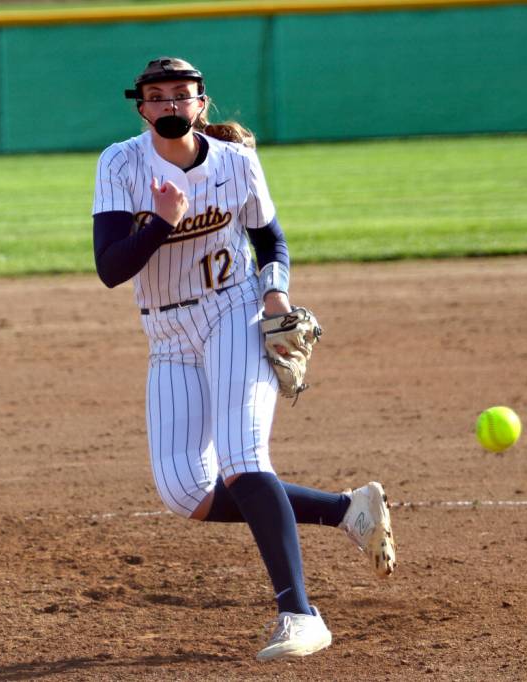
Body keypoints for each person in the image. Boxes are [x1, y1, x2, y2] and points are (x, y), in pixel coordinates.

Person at [91, 57, 396, 662]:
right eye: (158, 95)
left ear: (200, 104)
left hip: (232, 310)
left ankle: (300, 614)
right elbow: (110, 268)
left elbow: (269, 240)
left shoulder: (235, 162)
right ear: (141, 108)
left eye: (182, 94)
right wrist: (162, 223)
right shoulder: (121, 163)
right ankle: (347, 510)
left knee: (242, 456)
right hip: (166, 332)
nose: (171, 104)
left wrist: (275, 291)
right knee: (186, 491)